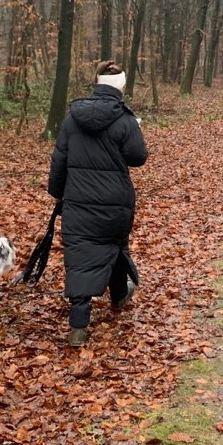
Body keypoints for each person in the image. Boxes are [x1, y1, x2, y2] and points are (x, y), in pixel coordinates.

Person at [48, 60, 148, 346]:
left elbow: (60, 159)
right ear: (121, 88)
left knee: (80, 257)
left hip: (78, 201)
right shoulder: (125, 120)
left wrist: (58, 193)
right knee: (112, 243)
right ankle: (118, 295)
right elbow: (138, 157)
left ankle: (80, 324)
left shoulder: (72, 118)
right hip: (115, 201)